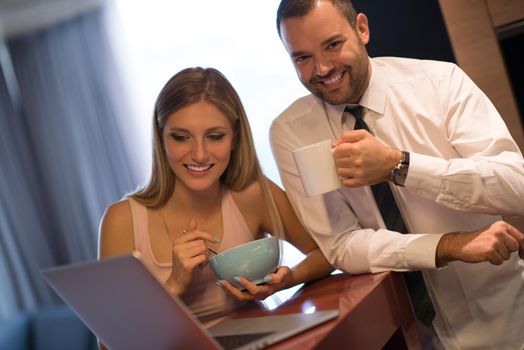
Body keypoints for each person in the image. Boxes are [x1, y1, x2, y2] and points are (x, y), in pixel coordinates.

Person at [271, 0, 524, 349]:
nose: (322, 68)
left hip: (506, 322)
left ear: (362, 28)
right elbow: (342, 244)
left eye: (332, 45)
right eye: (302, 57)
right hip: (405, 334)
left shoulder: (440, 82)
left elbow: (516, 187)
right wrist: (447, 246)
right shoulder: (291, 132)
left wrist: (399, 166)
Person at [98, 67, 333, 342]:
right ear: (161, 138)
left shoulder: (252, 194)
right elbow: (110, 343)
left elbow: (328, 252)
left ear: (234, 137)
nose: (199, 154)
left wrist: (286, 279)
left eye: (215, 136)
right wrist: (173, 286)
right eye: (181, 137)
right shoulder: (121, 221)